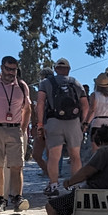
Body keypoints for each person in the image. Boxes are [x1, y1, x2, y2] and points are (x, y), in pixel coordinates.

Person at [0, 56, 31, 213]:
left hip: (14, 129)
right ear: (1, 67)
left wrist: (23, 128)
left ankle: (18, 197)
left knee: (17, 165)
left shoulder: (22, 86)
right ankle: (1, 199)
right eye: (8, 69)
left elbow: (27, 108)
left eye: (14, 70)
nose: (10, 73)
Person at [37, 58, 88, 197]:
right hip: (73, 122)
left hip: (54, 121)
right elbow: (85, 104)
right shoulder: (75, 82)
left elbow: (40, 103)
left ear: (55, 69)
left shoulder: (46, 83)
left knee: (54, 156)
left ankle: (53, 185)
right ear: (68, 69)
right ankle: (75, 185)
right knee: (75, 156)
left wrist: (40, 123)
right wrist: (84, 122)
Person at [31, 66, 54, 176]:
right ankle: (48, 171)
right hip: (42, 124)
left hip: (49, 124)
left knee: (50, 154)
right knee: (36, 154)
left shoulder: (47, 87)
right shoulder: (45, 87)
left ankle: (52, 174)